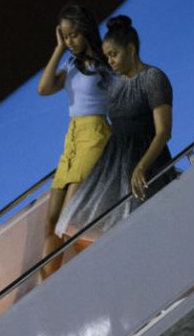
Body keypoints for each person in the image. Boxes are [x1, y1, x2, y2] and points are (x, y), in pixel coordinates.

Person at [55, 15, 177, 241]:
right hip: (114, 164)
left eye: (114, 54)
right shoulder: (115, 84)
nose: (109, 60)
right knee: (81, 223)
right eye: (107, 55)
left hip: (147, 164)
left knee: (151, 231)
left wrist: (141, 167)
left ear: (131, 50)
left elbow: (163, 132)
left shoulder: (153, 78)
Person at [36, 3, 114, 279]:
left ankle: (94, 277)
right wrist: (58, 49)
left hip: (95, 135)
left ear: (86, 31)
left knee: (71, 219)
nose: (69, 42)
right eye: (65, 36)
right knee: (52, 222)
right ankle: (44, 287)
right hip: (72, 138)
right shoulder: (71, 64)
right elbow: (43, 88)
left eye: (73, 35)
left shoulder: (106, 63)